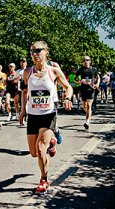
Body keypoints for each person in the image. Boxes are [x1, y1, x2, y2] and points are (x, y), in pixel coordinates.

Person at [19, 41, 73, 194]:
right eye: (32, 51)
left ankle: (44, 179)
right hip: (33, 116)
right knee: (34, 153)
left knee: (41, 149)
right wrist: (23, 111)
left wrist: (67, 98)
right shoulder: (27, 72)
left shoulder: (54, 71)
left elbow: (68, 87)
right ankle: (52, 142)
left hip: (48, 114)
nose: (34, 54)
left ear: (46, 52)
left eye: (38, 50)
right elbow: (25, 92)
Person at [74, 55, 100, 130]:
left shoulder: (93, 69)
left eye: (88, 60)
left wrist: (97, 84)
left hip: (91, 90)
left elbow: (98, 77)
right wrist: (79, 81)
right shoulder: (81, 70)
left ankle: (87, 122)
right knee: (84, 106)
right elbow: (75, 79)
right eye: (84, 60)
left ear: (90, 61)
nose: (86, 61)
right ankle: (89, 112)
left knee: (89, 105)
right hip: (83, 89)